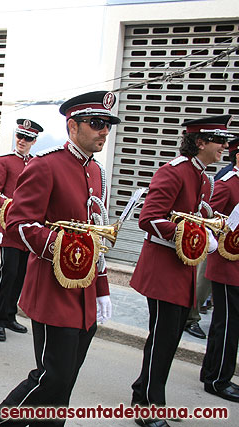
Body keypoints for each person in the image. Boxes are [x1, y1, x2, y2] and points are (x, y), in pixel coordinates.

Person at [0, 90, 118, 426]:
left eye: (107, 125)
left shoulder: (97, 172)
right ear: (73, 126)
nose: (104, 132)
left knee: (65, 383)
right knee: (52, 375)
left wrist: (103, 286)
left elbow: (95, 233)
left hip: (85, 293)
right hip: (54, 289)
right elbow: (21, 225)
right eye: (96, 123)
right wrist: (65, 246)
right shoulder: (47, 165)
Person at [129, 115, 232, 427]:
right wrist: (189, 234)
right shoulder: (174, 172)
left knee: (170, 338)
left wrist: (205, 228)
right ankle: (148, 406)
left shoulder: (202, 176)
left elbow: (190, 214)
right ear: (199, 142)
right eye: (219, 141)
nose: (225, 147)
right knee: (162, 340)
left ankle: (143, 392)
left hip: (181, 268)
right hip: (163, 270)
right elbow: (149, 218)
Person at [0, 119, 42, 342]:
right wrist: (10, 208)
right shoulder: (5, 161)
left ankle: (10, 316)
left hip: (27, 232)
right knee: (8, 273)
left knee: (21, 275)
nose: (22, 141)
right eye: (19, 136)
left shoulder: (36, 164)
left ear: (34, 141)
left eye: (27, 138)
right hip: (10, 228)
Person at [200, 136, 239, 403]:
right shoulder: (228, 184)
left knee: (227, 323)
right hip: (227, 264)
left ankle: (214, 372)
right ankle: (217, 379)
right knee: (228, 325)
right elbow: (206, 216)